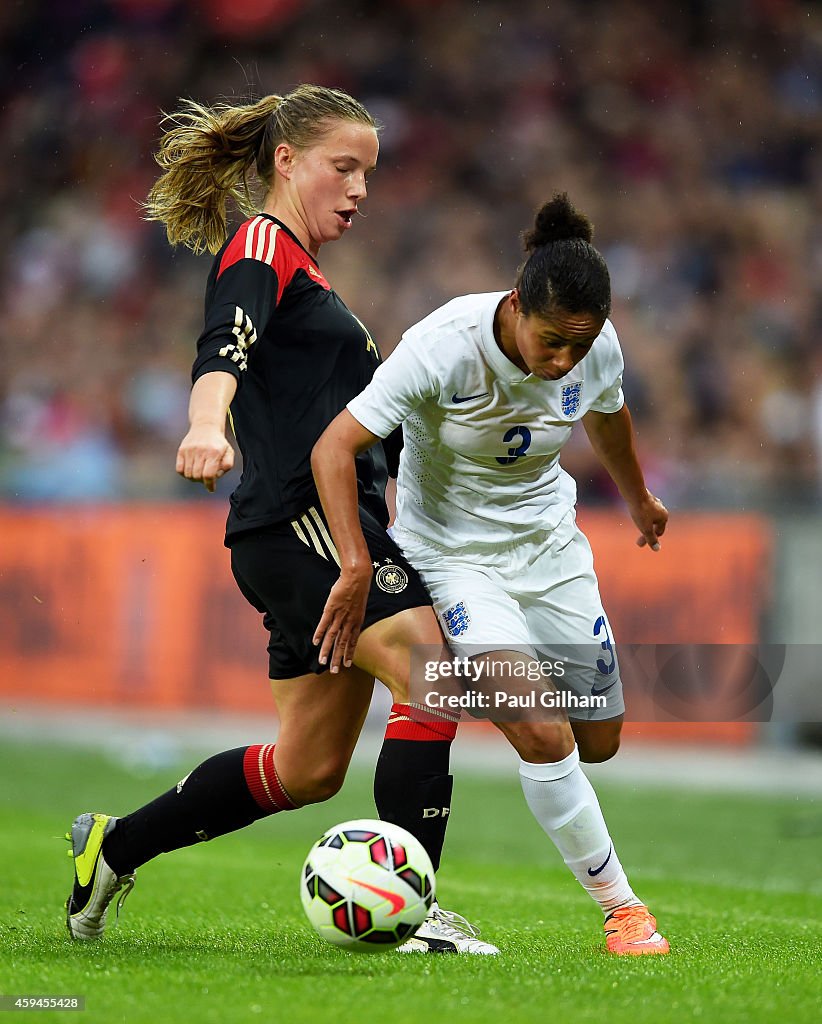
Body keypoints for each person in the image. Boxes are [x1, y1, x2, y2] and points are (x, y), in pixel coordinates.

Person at [64, 84, 498, 955]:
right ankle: (416, 918)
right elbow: (225, 339)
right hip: (310, 528)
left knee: (306, 769)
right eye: (345, 167)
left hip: (302, 533)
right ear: (286, 161)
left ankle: (112, 847)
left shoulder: (310, 274)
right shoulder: (264, 243)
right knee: (431, 674)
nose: (360, 189)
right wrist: (202, 420)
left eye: (368, 173)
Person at [311, 193, 671, 955]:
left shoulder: (594, 347)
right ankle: (623, 909)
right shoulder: (442, 345)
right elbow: (333, 448)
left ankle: (499, 687)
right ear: (516, 307)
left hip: (551, 550)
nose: (565, 360)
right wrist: (355, 561)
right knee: (542, 733)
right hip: (454, 557)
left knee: (595, 740)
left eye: (581, 344)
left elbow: (606, 412)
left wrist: (637, 498)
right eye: (552, 342)